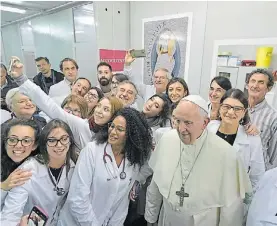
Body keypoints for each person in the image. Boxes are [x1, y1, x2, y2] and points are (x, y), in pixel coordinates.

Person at [145, 95, 252, 226]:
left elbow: (231, 208)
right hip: (168, 219)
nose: (180, 129)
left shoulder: (226, 154)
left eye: (188, 122)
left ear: (205, 123)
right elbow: (156, 183)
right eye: (177, 120)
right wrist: (150, 217)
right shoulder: (167, 140)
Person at [57, 107, 153, 226]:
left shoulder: (133, 161)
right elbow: (77, 198)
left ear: (132, 135)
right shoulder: (92, 150)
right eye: (112, 126)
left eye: (120, 129)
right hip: (75, 222)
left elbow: (122, 204)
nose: (112, 132)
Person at [1, 119, 78, 226]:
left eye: (64, 139)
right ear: (44, 143)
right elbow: (10, 213)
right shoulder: (27, 170)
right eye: (52, 140)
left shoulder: (74, 166)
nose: (59, 145)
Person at [207, 89, 265, 191]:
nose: (230, 112)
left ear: (244, 112)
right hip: (207, 191)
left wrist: (248, 203)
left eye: (237, 109)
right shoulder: (209, 128)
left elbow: (257, 177)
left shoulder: (252, 140)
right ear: (220, 108)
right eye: (226, 107)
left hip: (235, 197)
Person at [1, 119, 40, 208]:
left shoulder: (38, 167)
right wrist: (3, 186)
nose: (18, 145)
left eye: (26, 141)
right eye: (12, 140)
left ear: (35, 145)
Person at [246, 69, 277, 170]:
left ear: (269, 88)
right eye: (253, 81)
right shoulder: (236, 108)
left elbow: (273, 156)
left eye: (261, 82)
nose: (255, 86)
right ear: (247, 85)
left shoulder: (273, 117)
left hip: (257, 172)